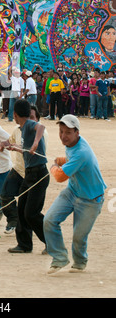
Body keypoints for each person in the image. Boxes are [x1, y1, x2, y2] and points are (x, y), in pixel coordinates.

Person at [43, 114, 106, 274]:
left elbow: (59, 177)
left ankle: (80, 262)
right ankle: (59, 258)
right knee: (49, 220)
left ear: (77, 132)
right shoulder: (73, 145)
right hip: (72, 191)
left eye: (68, 132)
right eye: (61, 131)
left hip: (91, 199)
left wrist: (53, 166)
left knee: (79, 236)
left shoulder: (81, 152)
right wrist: (62, 160)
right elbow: (70, 158)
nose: (63, 136)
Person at [0, 99, 49, 253]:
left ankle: (52, 242)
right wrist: (8, 145)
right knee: (22, 210)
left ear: (15, 114)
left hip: (39, 174)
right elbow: (22, 147)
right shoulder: (21, 129)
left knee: (31, 213)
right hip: (29, 174)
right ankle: (24, 244)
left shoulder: (28, 124)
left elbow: (41, 126)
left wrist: (35, 143)